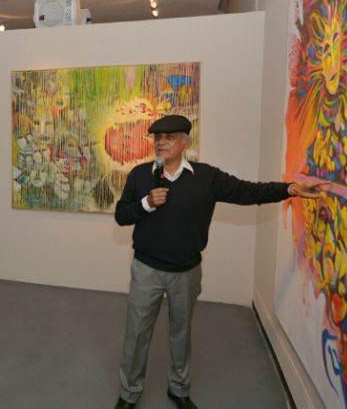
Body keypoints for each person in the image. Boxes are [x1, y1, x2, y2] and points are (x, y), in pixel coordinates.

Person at [112, 115, 329, 409]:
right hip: (146, 270)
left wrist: (289, 189)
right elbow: (121, 215)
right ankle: (129, 394)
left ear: (186, 142)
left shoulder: (206, 177)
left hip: (186, 272)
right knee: (136, 334)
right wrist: (146, 203)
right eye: (158, 137)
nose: (161, 142)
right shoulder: (140, 175)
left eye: (170, 137)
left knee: (180, 334)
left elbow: (249, 191)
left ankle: (178, 389)